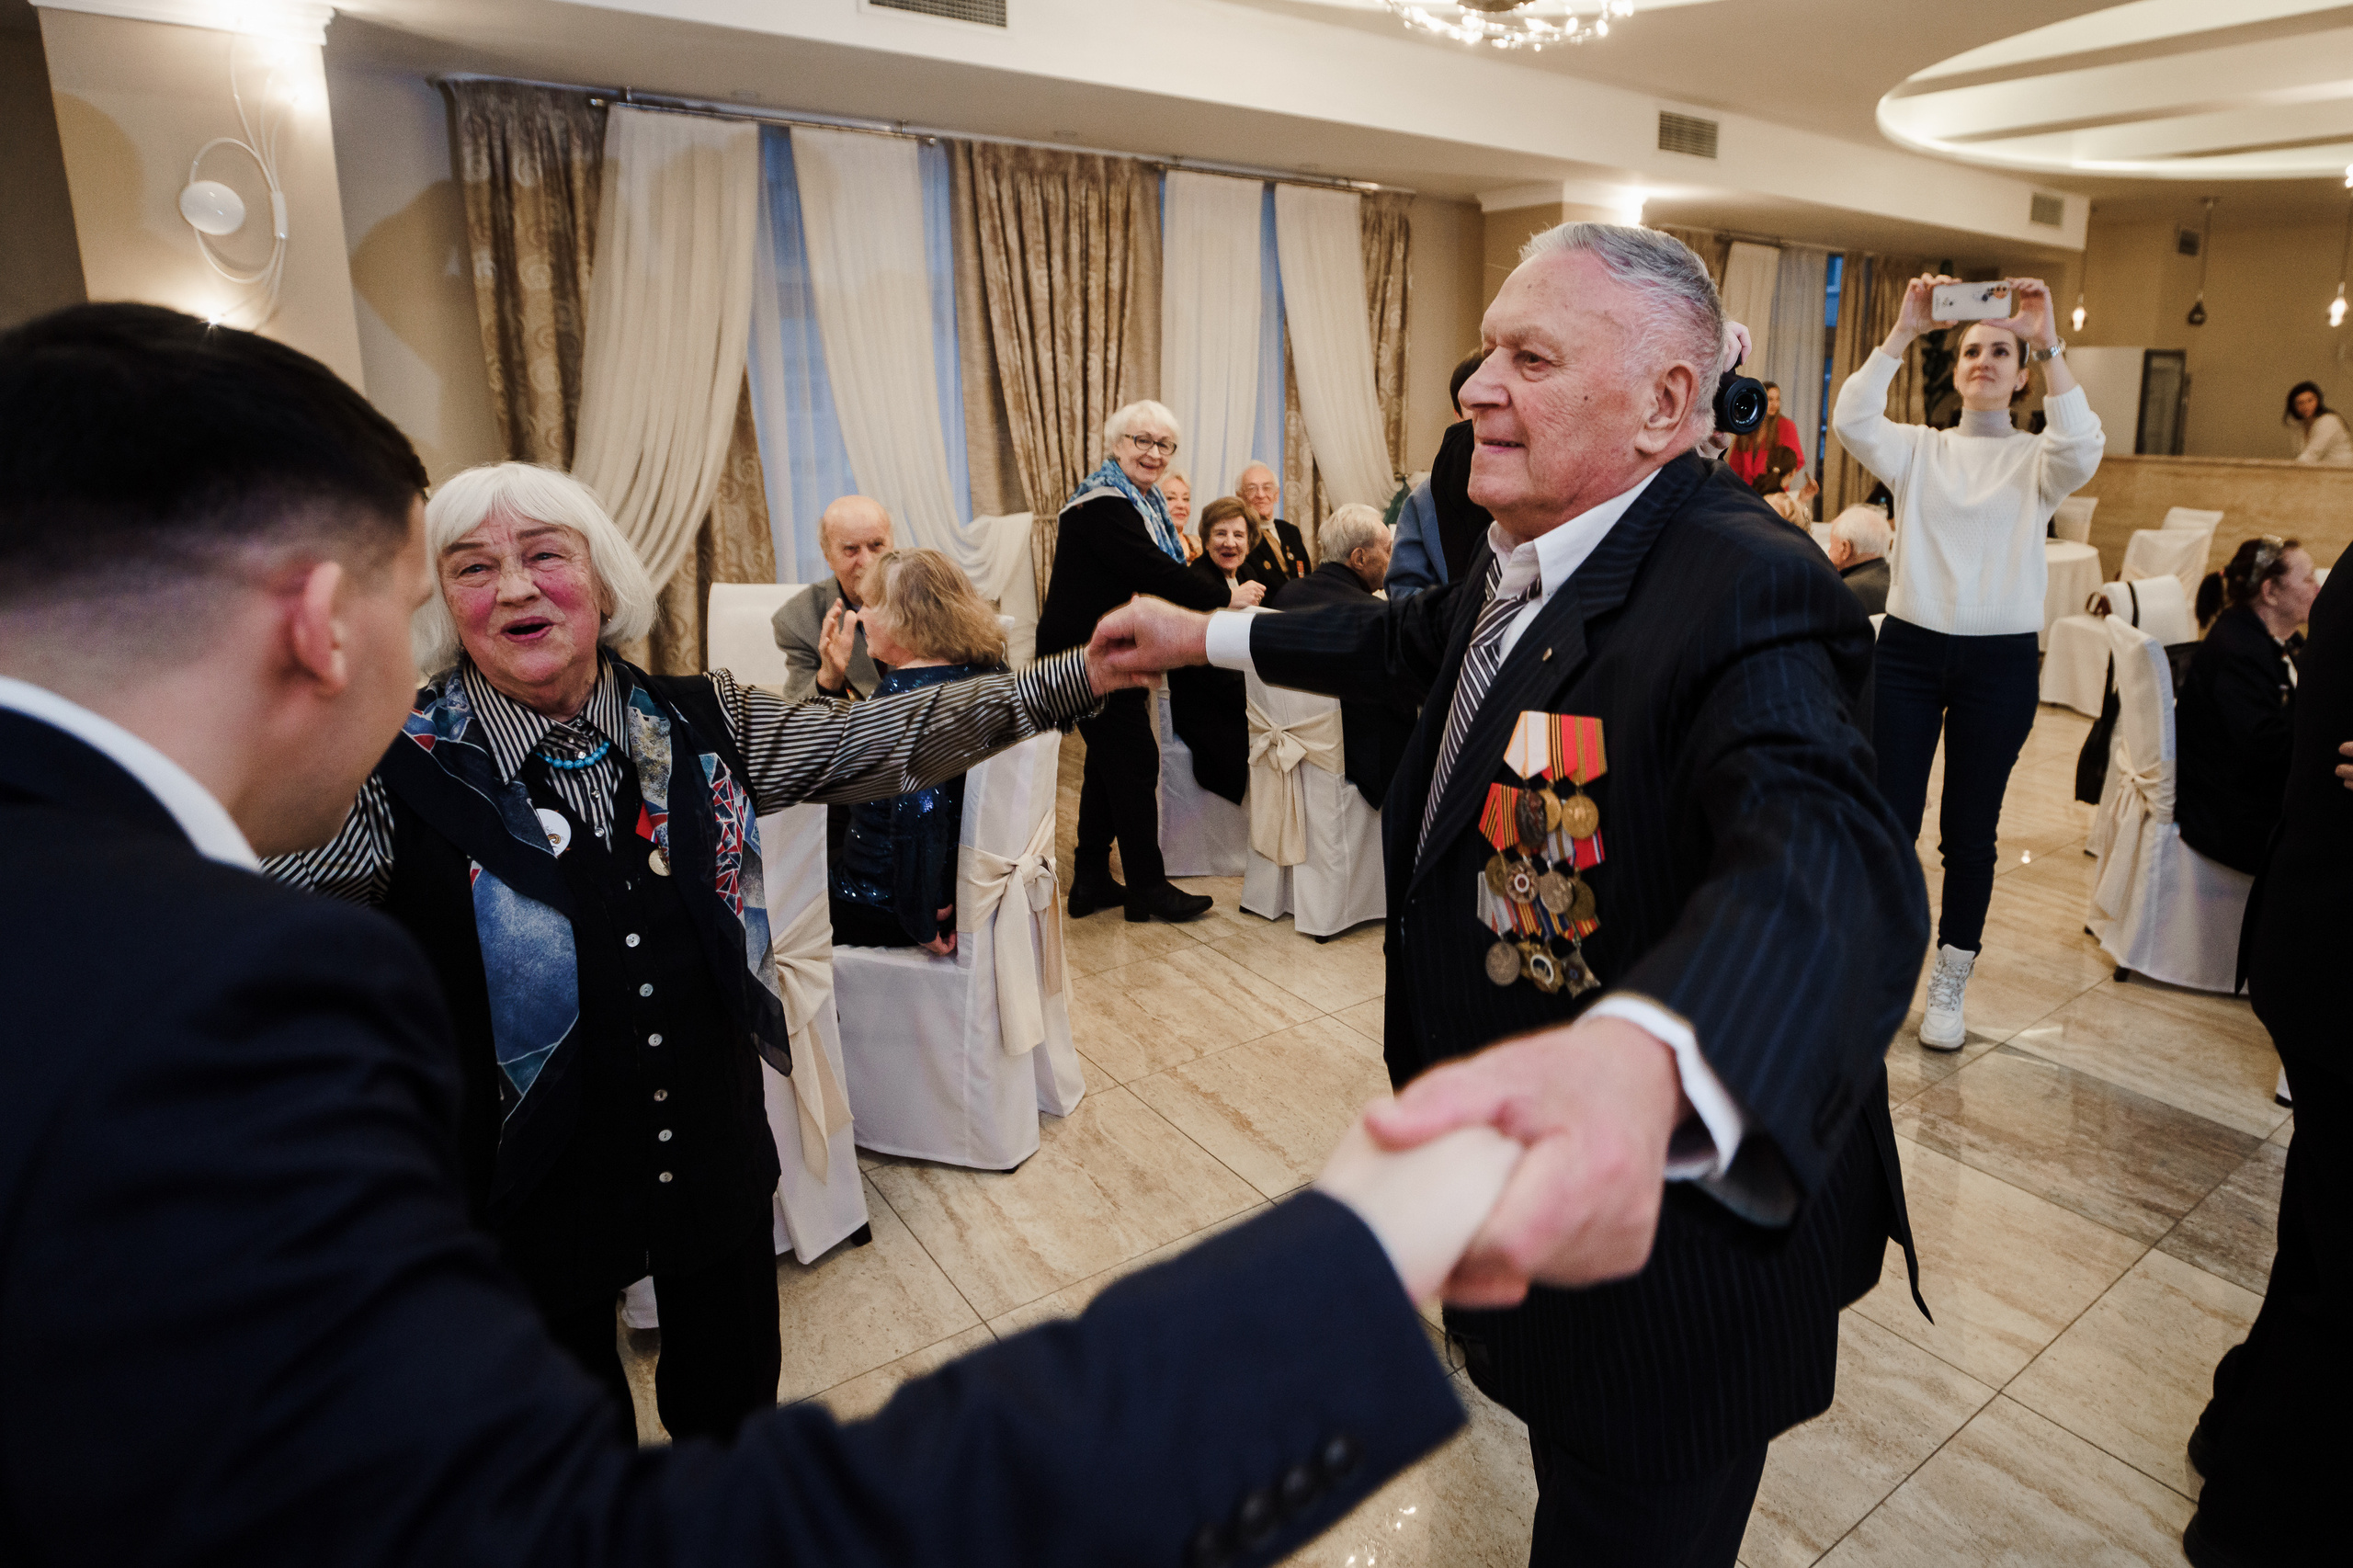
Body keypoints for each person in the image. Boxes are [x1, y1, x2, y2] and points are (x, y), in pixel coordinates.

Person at [0, 301, 1523, 1566]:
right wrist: (1347, 1279)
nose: (514, 586)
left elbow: (881, 741)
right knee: (575, 1401)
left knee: (734, 1391)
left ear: (607, 577)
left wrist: (1068, 680)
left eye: (547, 554)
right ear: (354, 621)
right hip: (526, 1190)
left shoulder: (693, 717)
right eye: (462, 567)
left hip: (713, 1149)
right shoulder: (349, 830)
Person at [1092, 222, 1930, 1568]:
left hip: (1675, 1257)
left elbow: (1826, 858)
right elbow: (1412, 638)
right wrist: (1209, 633)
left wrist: (1654, 1058)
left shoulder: (1748, 582)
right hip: (1541, 1219)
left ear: (1665, 401)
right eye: (1487, 350)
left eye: (1529, 359)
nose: (1477, 387)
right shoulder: (1532, 545)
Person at [1833, 272, 2103, 1051]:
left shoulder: (2039, 461)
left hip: (1999, 664)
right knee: (1891, 819)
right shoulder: (1920, 450)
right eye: (1973, 351)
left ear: (2021, 378)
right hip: (1909, 654)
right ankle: (1878, 968)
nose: (1984, 360)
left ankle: (1951, 978)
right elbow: (1852, 417)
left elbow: (2084, 445)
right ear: (1955, 371)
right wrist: (1904, 330)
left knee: (1970, 831)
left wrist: (2047, 339)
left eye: (2001, 353)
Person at [2182, 563, 2351, 1568]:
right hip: (2333, 939)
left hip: (2314, 929)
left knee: (2320, 1236)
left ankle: (2242, 1420)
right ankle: (2258, 1512)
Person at [1036, 401, 1254, 924]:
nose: (1153, 453)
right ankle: (1148, 887)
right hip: (1088, 655)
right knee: (1134, 761)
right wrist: (1223, 596)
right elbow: (1153, 569)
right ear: (1117, 445)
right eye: (1142, 441)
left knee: (1108, 763)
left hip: (1113, 646)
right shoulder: (1105, 503)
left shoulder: (1139, 500)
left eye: (1164, 444)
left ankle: (1090, 877)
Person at [827, 549, 1007, 951]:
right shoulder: (991, 671)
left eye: (870, 604)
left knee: (773, 876)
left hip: (885, 902)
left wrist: (919, 921)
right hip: (968, 885)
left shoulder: (903, 699)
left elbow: (921, 812)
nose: (860, 615)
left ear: (905, 618)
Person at [2177, 537, 2319, 878]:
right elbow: (2268, 748)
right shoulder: (2239, 652)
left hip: (2247, 791)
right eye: (2308, 579)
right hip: (2229, 817)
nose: (2318, 587)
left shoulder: (2273, 639)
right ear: (2270, 592)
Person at [1270, 504, 1418, 809]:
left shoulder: (1286, 595)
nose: (1392, 559)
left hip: (1293, 754)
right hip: (1357, 768)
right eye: (1387, 550)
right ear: (1359, 558)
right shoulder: (1374, 614)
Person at [1166, 496, 1256, 804]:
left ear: (1249, 541)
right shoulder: (1197, 581)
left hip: (1237, 688)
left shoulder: (1246, 574)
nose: (1230, 543)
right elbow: (1201, 662)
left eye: (1238, 535)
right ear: (1205, 540)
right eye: (1220, 533)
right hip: (1204, 699)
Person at [1389, 350, 1492, 600]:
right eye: (1474, 407)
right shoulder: (1425, 499)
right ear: (1457, 415)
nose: (1488, 417)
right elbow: (1404, 592)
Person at [773, 494, 893, 703]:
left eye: (876, 545)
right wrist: (829, 677)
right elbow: (796, 715)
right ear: (827, 555)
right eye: (851, 549)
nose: (867, 561)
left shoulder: (929, 597)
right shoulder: (797, 620)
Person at [1233, 460, 1313, 595]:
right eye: (1252, 488)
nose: (1260, 495)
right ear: (1240, 496)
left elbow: (1307, 576)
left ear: (1276, 494)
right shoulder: (1239, 536)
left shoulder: (1290, 531)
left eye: (1267, 488)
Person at [1726, 380, 1810, 496]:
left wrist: (1777, 479)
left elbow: (1796, 460)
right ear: (1761, 400)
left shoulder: (1786, 426)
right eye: (1770, 399)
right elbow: (1734, 465)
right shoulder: (1747, 425)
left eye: (1777, 399)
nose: (1775, 404)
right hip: (1745, 492)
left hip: (1773, 492)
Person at [1824, 504, 1893, 616]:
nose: (1829, 551)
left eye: (1832, 544)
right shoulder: (1897, 583)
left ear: (1845, 549)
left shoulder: (1840, 593)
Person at [2283, 381, 2352, 465]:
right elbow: (2301, 455)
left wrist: (2289, 469)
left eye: (2310, 401)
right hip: (2318, 470)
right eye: (2300, 403)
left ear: (2318, 400)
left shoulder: (2329, 421)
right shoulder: (2299, 425)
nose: (2306, 406)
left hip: (2344, 470)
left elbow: (2312, 454)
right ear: (2294, 406)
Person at [1161, 468, 1200, 561]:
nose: (1181, 505)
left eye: (1186, 499)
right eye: (1170, 498)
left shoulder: (1200, 545)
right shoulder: (1148, 545)